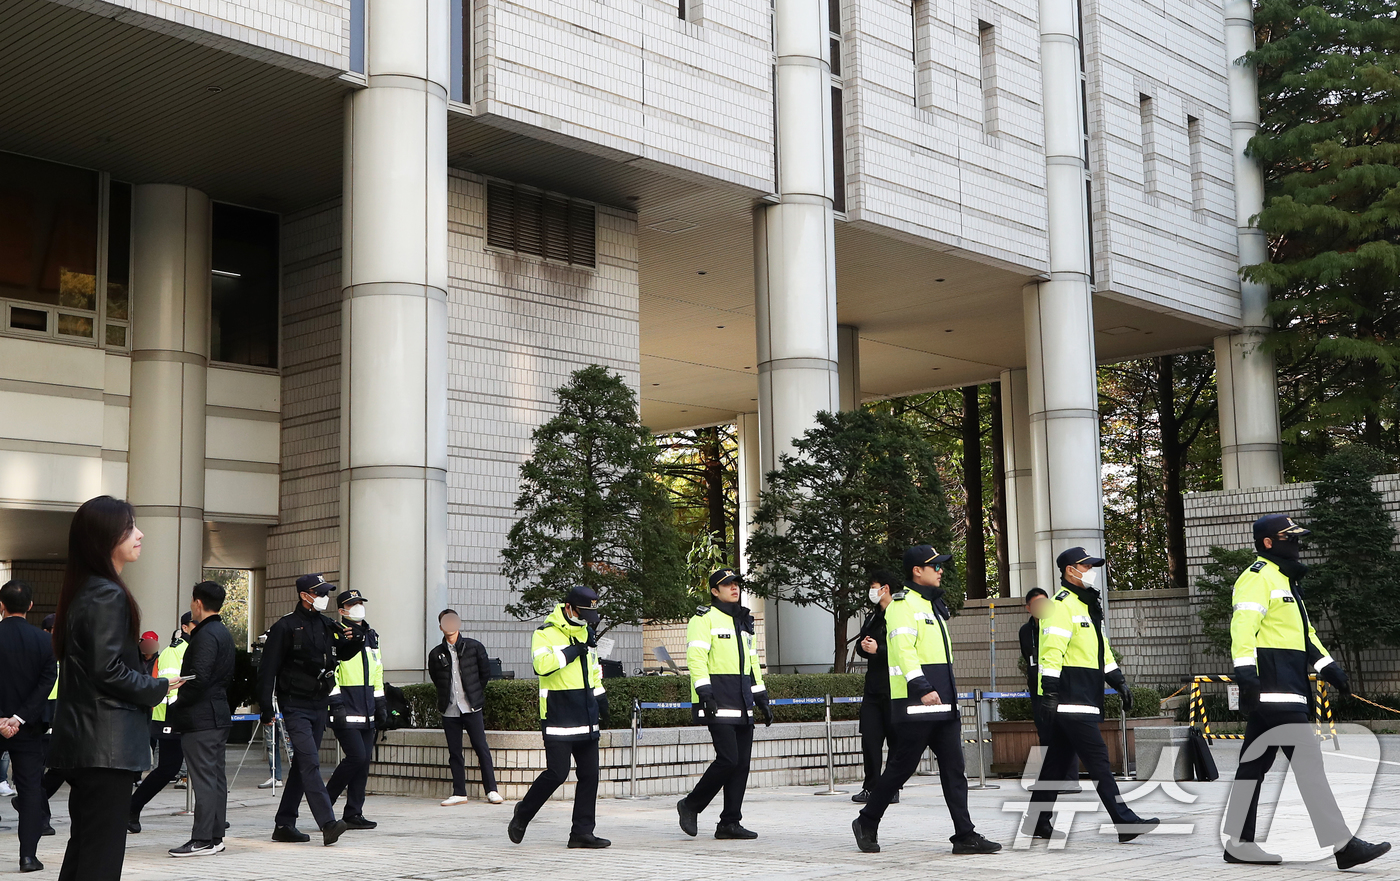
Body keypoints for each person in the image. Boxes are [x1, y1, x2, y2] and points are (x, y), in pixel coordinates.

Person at [1221, 515, 1391, 869]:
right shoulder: (1256, 577)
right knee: (1309, 765)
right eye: (1289, 538)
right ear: (1269, 542)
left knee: (1251, 767)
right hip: (1275, 691)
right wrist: (1246, 676)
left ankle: (1238, 843)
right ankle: (1343, 846)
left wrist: (1331, 669)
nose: (1297, 544)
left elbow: (1306, 635)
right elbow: (1243, 629)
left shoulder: (1285, 581)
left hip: (1285, 691)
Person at [46, 496, 181, 881]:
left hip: (88, 744)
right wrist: (155, 685)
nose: (140, 534)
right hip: (106, 746)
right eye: (129, 528)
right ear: (105, 537)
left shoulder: (85, 591)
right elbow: (107, 670)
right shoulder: (107, 593)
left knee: (86, 850)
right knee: (100, 858)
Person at [852, 546, 1001, 856]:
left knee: (954, 769)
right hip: (918, 702)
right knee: (900, 768)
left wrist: (946, 696)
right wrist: (921, 686)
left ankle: (964, 835)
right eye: (934, 566)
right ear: (917, 571)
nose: (940, 570)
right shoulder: (902, 606)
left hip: (942, 703)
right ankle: (867, 820)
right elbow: (904, 651)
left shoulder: (934, 605)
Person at [1021, 547, 1158, 844]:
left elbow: (1101, 650)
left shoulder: (1086, 606)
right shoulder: (1058, 606)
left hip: (1084, 694)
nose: (1091, 570)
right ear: (1071, 570)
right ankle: (1124, 821)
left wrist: (1119, 681)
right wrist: (1050, 693)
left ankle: (1037, 822)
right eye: (1087, 565)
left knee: (1055, 764)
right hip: (1069, 697)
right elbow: (1051, 653)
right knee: (1098, 761)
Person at [258, 573, 363, 846]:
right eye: (320, 593)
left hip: (319, 704)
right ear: (305, 595)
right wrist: (266, 707)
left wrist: (357, 639)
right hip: (294, 704)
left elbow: (343, 652)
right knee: (310, 762)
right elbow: (267, 670)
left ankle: (284, 823)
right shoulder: (286, 627)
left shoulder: (326, 624)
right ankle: (328, 823)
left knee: (303, 764)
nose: (325, 598)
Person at [508, 585, 610, 848]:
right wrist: (575, 650)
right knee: (558, 772)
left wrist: (600, 697)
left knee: (590, 775)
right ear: (568, 608)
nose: (587, 619)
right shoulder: (545, 633)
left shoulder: (587, 632)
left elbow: (593, 671)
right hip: (558, 712)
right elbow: (542, 666)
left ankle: (582, 832)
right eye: (583, 613)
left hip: (586, 712)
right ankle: (523, 813)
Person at [676, 568, 770, 840]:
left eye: (735, 584)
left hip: (742, 700)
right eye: (726, 584)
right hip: (717, 699)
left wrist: (761, 697)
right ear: (714, 591)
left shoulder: (742, 620)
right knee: (728, 759)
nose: (733, 588)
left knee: (741, 764)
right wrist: (704, 692)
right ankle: (690, 805)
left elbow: (752, 662)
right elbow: (696, 659)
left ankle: (729, 822)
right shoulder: (703, 618)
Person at [166, 580, 236, 857]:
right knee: (215, 778)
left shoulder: (205, 635)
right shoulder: (223, 632)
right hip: (216, 713)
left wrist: (179, 703)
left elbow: (199, 678)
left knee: (205, 779)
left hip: (202, 717)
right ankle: (215, 836)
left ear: (197, 603)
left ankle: (203, 838)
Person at [0, 579, 57, 873]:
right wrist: (18, 718)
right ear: (31, 606)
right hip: (28, 728)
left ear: (1, 605)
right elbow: (46, 683)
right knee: (31, 790)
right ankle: (27, 857)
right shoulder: (44, 641)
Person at [326, 589, 386, 829]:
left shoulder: (372, 635)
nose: (358, 607)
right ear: (342, 611)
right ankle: (324, 802)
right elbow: (332, 672)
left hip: (368, 706)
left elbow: (378, 670)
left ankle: (353, 813)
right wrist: (336, 702)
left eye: (360, 602)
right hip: (346, 705)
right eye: (353, 604)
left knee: (363, 762)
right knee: (356, 756)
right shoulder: (336, 634)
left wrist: (380, 702)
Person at [428, 608, 501, 806]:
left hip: (471, 707)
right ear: (441, 626)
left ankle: (491, 790)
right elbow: (436, 679)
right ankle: (459, 792)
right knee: (454, 751)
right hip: (449, 709)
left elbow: (484, 675)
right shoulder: (436, 653)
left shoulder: (474, 647)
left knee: (481, 747)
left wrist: (474, 694)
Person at [129, 617, 193, 832]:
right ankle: (131, 808)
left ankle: (212, 815)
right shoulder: (175, 650)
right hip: (170, 716)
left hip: (184, 716)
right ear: (184, 627)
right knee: (168, 769)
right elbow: (171, 686)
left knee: (200, 765)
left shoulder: (194, 647)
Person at [851, 570, 902, 805]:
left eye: (874, 587)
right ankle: (870, 786)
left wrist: (879, 650)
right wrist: (864, 646)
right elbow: (863, 647)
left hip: (894, 688)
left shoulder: (899, 615)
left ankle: (891, 788)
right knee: (870, 739)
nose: (871, 592)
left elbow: (904, 650)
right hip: (872, 688)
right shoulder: (872, 617)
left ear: (886, 589)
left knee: (895, 740)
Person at [250, 629, 285, 789]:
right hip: (270, 704)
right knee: (271, 742)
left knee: (289, 742)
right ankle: (275, 776)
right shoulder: (265, 661)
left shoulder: (284, 656)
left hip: (284, 704)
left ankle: (301, 776)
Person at [1018, 587, 1052, 746]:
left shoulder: (1055, 627)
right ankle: (1050, 769)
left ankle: (1066, 771)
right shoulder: (1025, 631)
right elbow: (1026, 656)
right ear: (1029, 608)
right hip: (1036, 689)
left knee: (1063, 734)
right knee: (1044, 732)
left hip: (1055, 687)